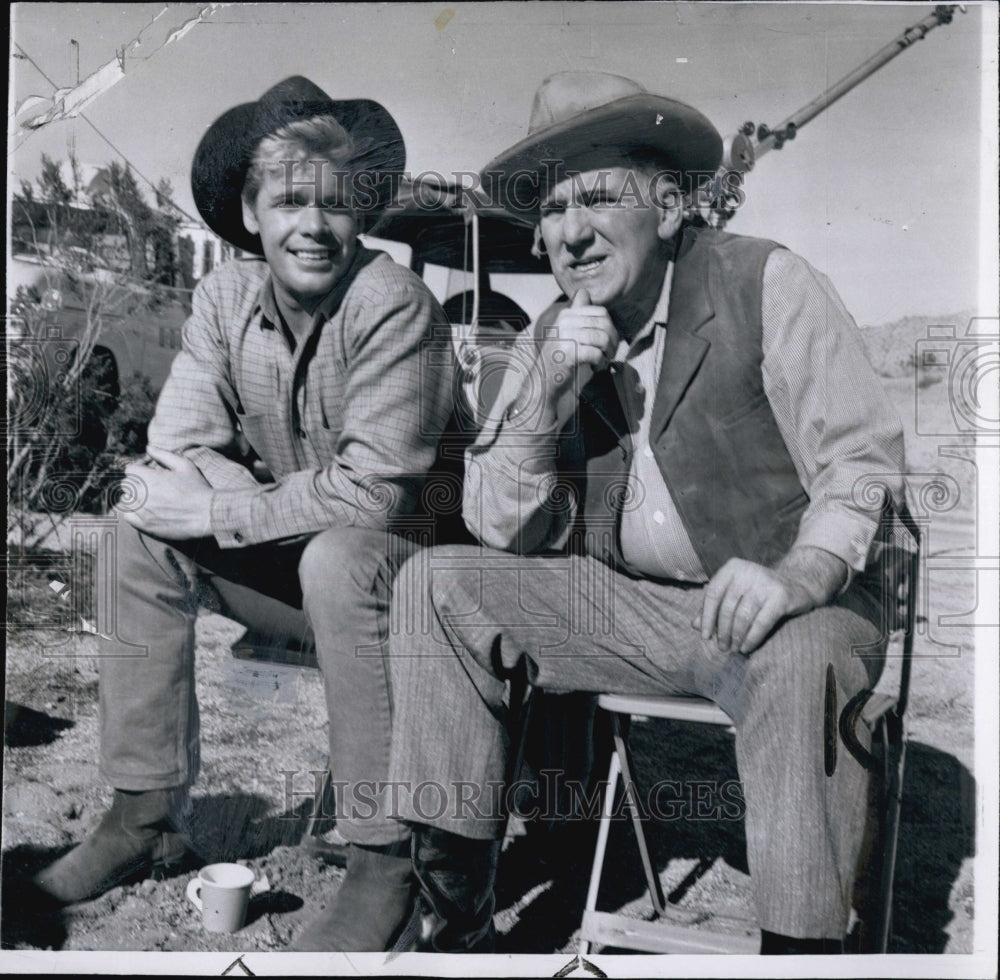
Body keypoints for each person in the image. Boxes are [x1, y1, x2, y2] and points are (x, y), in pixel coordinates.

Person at [313, 71, 911, 954]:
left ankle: (799, 956)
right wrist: (545, 397)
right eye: (551, 211)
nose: (569, 232)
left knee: (805, 655)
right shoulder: (551, 331)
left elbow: (861, 463)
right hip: (640, 608)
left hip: (794, 607)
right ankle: (457, 923)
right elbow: (499, 527)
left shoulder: (765, 282)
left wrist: (796, 576)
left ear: (670, 208)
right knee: (437, 585)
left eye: (597, 197)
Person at [31, 76, 456, 952]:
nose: (314, 224)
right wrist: (226, 497)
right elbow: (171, 456)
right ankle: (145, 817)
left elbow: (376, 496)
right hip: (310, 569)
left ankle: (384, 861)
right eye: (289, 199)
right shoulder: (226, 299)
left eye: (336, 203)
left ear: (360, 213)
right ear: (250, 213)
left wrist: (225, 500)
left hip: (420, 595)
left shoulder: (394, 305)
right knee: (137, 532)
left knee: (339, 552)